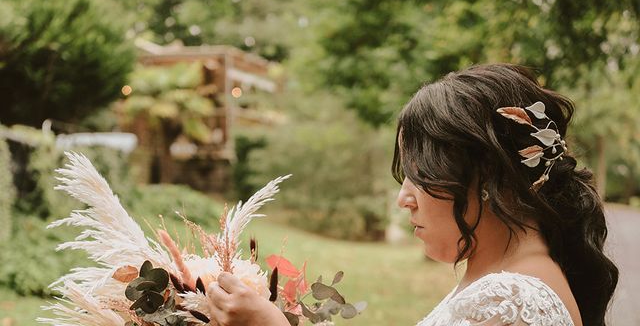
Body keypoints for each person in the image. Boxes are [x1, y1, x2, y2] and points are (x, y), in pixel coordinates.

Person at [206, 64, 618, 326]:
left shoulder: (510, 303)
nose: (404, 198)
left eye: (420, 174)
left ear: (489, 175)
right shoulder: (504, 280)